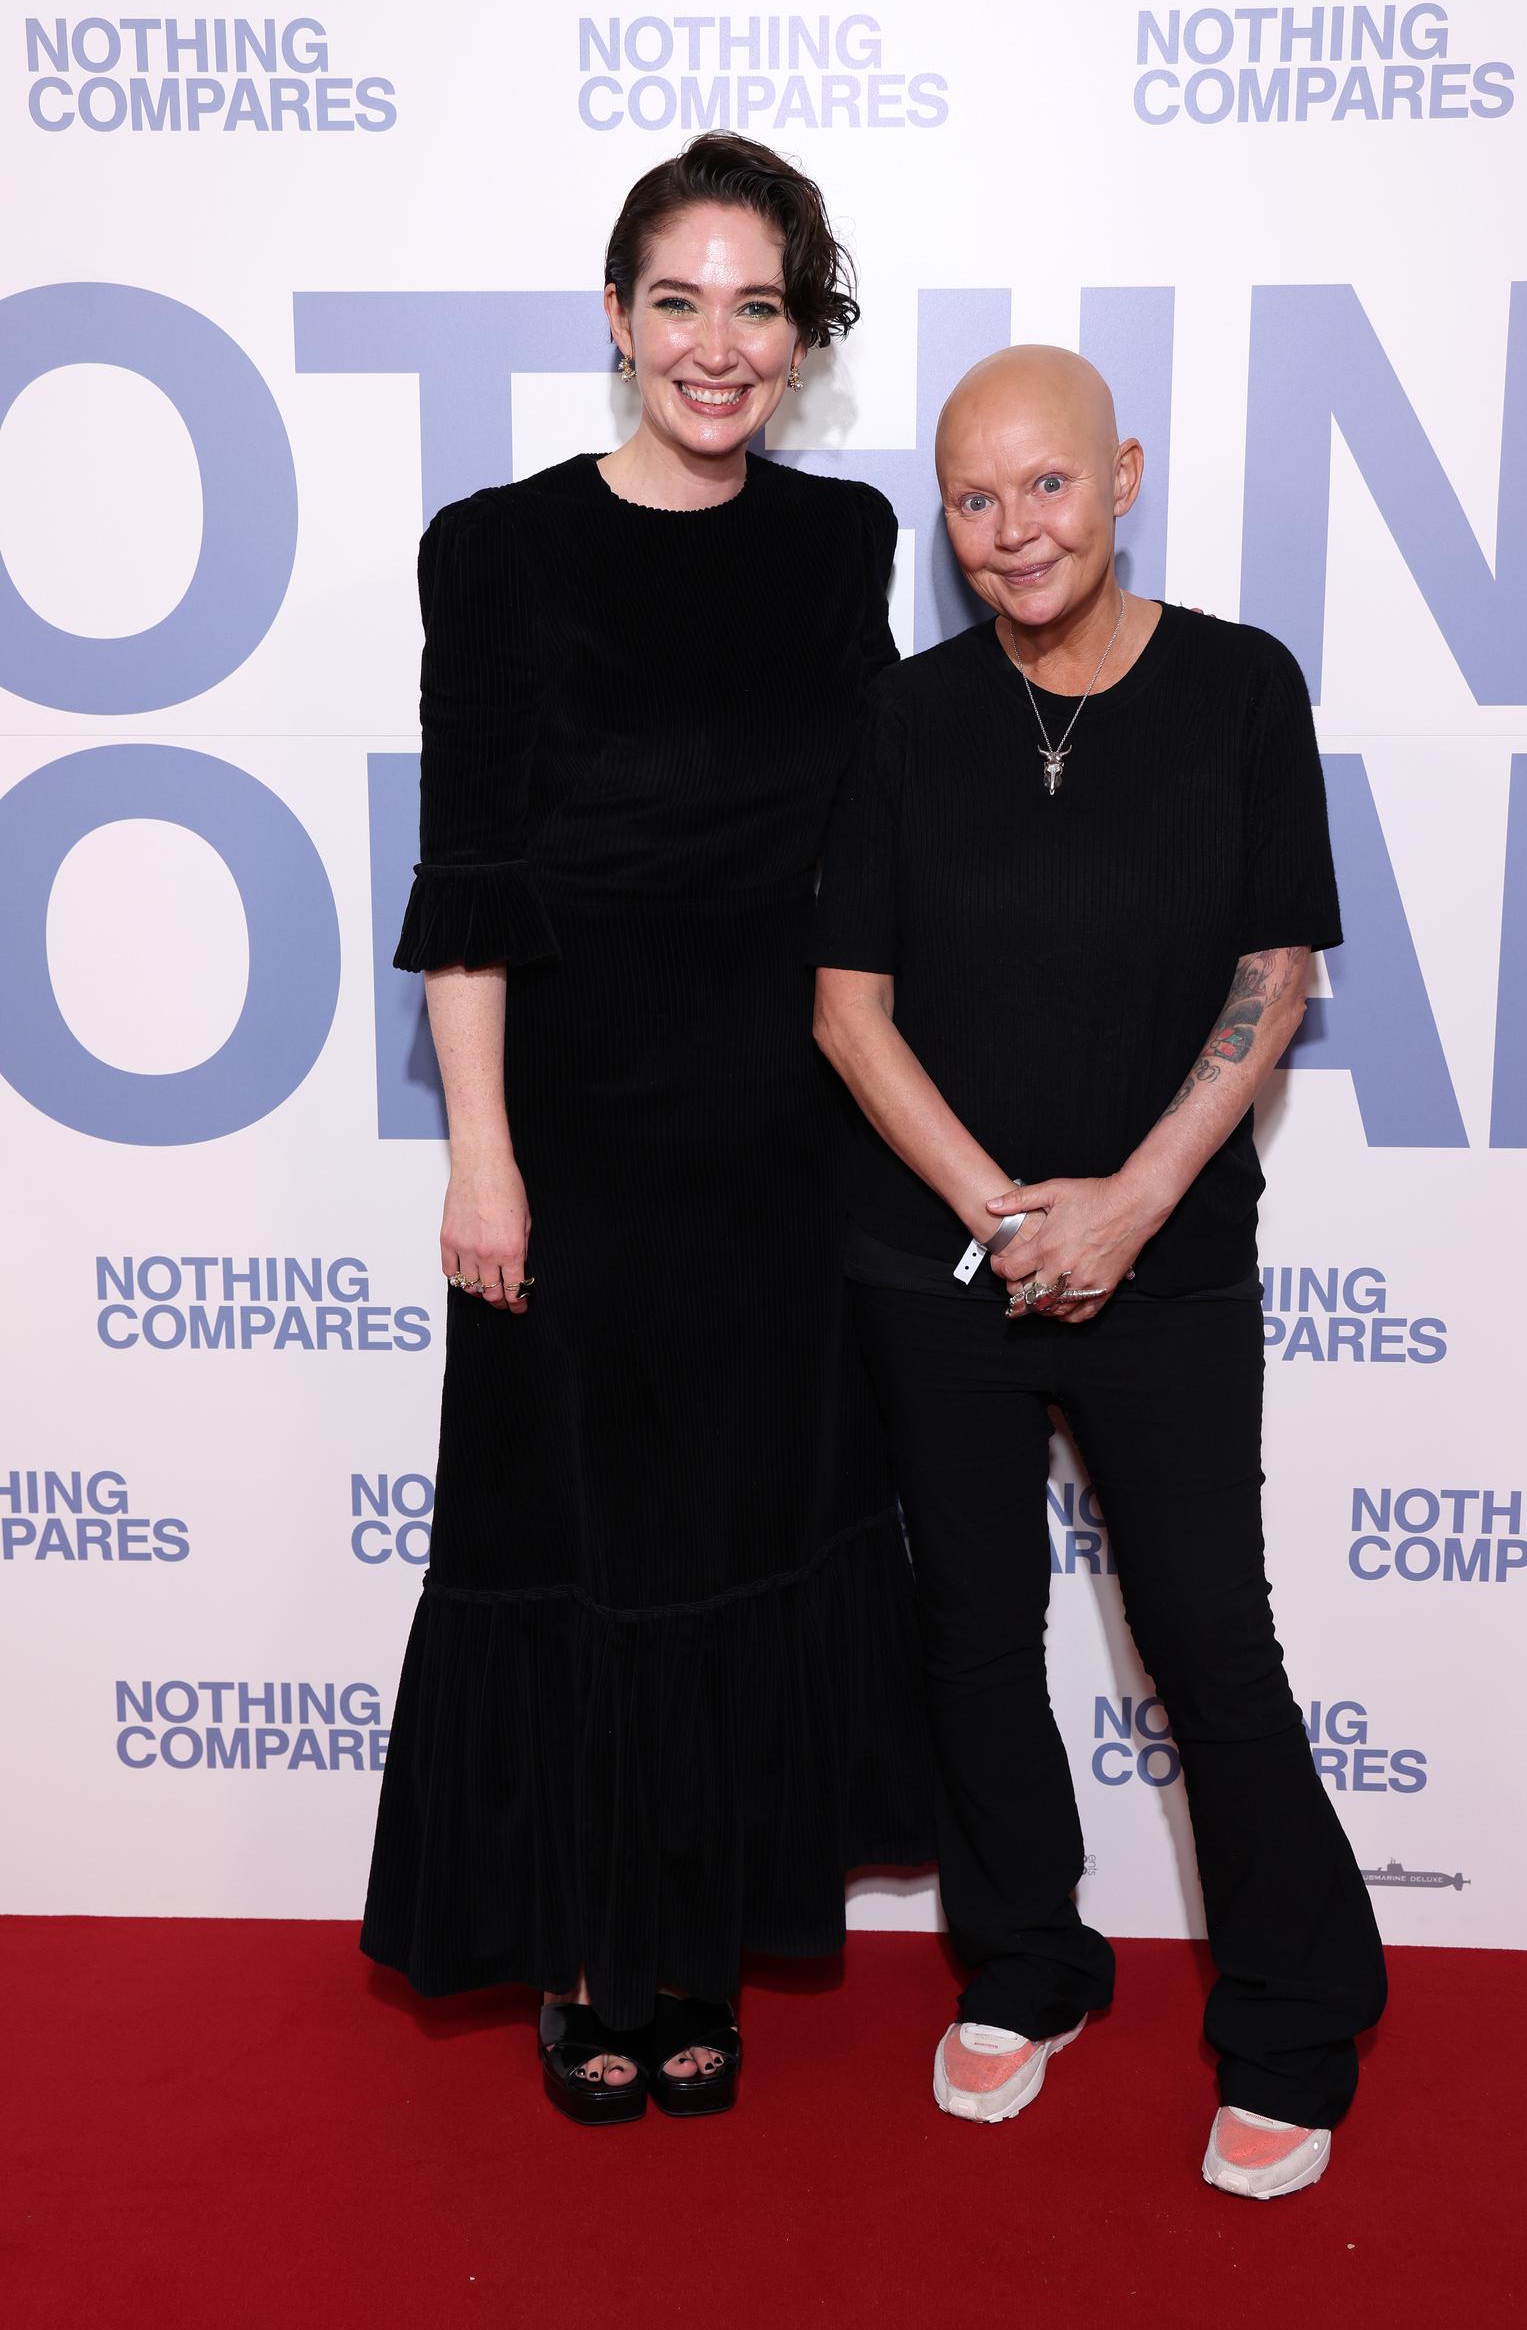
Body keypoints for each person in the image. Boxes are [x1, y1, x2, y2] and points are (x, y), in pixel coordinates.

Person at [361, 133, 931, 2124]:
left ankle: (697, 1939)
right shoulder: (497, 551)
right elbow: (469, 880)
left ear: (802, 334)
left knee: (740, 1531)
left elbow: (880, 840)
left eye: (756, 305)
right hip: (578, 1137)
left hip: (779, 1137)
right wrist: (483, 1157)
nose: (715, 344)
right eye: (676, 300)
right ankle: (585, 1950)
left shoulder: (841, 541)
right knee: (581, 1538)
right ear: (616, 319)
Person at [811, 345, 1386, 2198]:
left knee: (1210, 1643)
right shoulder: (905, 718)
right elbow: (847, 1006)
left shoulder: (1237, 686)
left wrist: (1125, 1207)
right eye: (972, 500)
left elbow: (1272, 977)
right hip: (936, 1260)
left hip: (1169, 1255)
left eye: (1044, 485)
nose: (1011, 531)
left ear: (1120, 475)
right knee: (974, 1630)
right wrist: (1000, 1214)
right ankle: (1026, 1962)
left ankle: (1293, 2019)